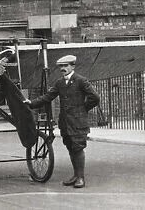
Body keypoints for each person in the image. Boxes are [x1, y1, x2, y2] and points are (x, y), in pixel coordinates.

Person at [24, 55, 100, 188]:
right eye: (61, 66)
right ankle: (75, 175)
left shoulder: (81, 80)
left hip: (78, 122)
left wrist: (83, 109)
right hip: (65, 122)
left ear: (73, 66)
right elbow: (48, 96)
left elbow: (95, 98)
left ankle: (81, 178)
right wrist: (32, 103)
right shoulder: (60, 83)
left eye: (66, 66)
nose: (63, 69)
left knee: (78, 148)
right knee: (71, 148)